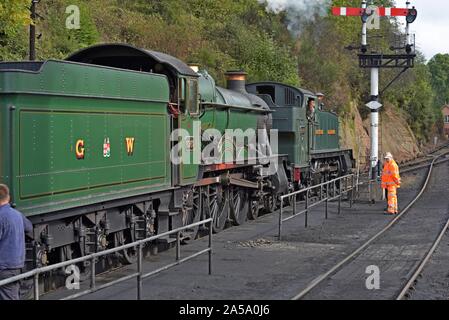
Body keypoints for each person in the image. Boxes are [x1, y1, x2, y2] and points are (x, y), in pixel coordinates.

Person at [0, 184, 33, 300]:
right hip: (17, 264)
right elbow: (29, 227)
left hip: (4, 267)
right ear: (8, 198)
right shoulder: (17, 214)